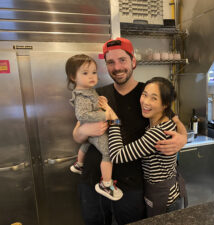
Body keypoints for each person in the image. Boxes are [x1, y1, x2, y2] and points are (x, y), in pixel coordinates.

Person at [73, 37, 187, 225]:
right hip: (93, 180)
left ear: (133, 61)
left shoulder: (148, 94)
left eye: (122, 60)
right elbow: (77, 136)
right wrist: (86, 129)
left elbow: (175, 121)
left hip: (131, 185)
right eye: (111, 62)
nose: (117, 67)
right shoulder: (97, 94)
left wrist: (182, 138)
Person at [100, 77, 187, 217]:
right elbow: (175, 116)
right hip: (166, 192)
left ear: (165, 104)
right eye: (144, 95)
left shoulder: (157, 133)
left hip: (166, 198)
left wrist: (114, 120)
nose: (145, 102)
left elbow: (117, 155)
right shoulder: (168, 120)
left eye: (154, 98)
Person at [65, 54, 123, 201]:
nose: (91, 76)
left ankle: (79, 165)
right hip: (95, 132)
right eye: (85, 73)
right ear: (73, 77)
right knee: (108, 152)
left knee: (85, 144)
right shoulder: (82, 95)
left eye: (94, 72)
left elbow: (93, 104)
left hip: (91, 132)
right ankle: (106, 184)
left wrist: (100, 100)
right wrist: (105, 115)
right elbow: (82, 115)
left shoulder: (89, 90)